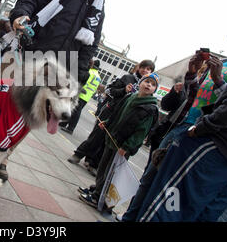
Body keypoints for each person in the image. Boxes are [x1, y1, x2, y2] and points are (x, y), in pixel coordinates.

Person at [122, 17, 227, 222]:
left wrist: (218, 81)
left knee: (172, 199)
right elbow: (195, 95)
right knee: (150, 181)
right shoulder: (223, 63)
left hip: (204, 137)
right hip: (184, 127)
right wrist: (191, 74)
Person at [9, 0, 122, 86]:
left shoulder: (98, 12)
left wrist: (78, 76)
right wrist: (20, 15)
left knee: (30, 107)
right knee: (0, 102)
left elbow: (90, 47)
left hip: (55, 78)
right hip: (24, 58)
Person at [78, 73, 160, 212]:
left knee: (111, 174)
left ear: (154, 90)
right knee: (103, 168)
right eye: (147, 81)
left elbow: (141, 132)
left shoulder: (150, 108)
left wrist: (127, 147)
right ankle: (97, 190)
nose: (149, 85)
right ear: (139, 83)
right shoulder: (130, 97)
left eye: (153, 85)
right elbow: (117, 114)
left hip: (122, 147)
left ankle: (100, 199)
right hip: (112, 140)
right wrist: (107, 122)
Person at [67, 59, 155, 173]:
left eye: (149, 69)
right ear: (139, 67)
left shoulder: (147, 88)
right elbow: (109, 90)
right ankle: (79, 154)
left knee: (108, 142)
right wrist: (123, 90)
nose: (145, 70)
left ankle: (93, 163)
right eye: (144, 67)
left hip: (123, 119)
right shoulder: (127, 78)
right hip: (110, 111)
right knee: (96, 136)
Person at [59, 59, 101, 135]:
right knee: (73, 110)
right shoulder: (98, 77)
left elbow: (84, 83)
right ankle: (64, 123)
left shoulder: (90, 73)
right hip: (87, 96)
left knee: (75, 111)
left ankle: (71, 128)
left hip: (81, 94)